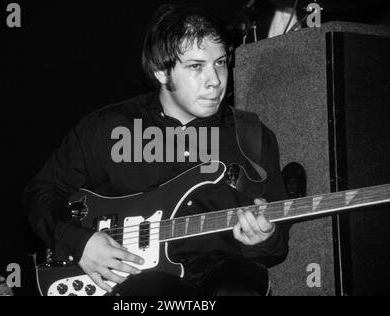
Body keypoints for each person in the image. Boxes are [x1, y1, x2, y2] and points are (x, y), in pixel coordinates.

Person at [23, 4, 290, 296]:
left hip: (224, 277)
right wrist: (80, 242)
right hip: (135, 282)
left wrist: (264, 238)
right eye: (196, 66)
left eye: (221, 63)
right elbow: (42, 191)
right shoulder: (109, 128)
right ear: (161, 71)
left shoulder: (253, 137)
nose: (215, 80)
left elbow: (276, 248)